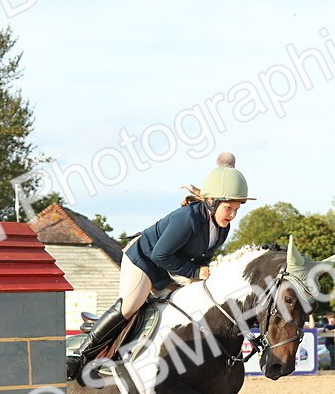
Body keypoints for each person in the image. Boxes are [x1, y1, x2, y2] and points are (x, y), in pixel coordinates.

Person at [66, 152, 254, 381]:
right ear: (212, 202)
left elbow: (203, 258)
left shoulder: (222, 228)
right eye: (228, 208)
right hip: (143, 260)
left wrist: (202, 274)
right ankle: (80, 355)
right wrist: (195, 272)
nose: (232, 215)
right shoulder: (188, 219)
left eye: (236, 209)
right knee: (130, 307)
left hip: (167, 269)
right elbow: (160, 254)